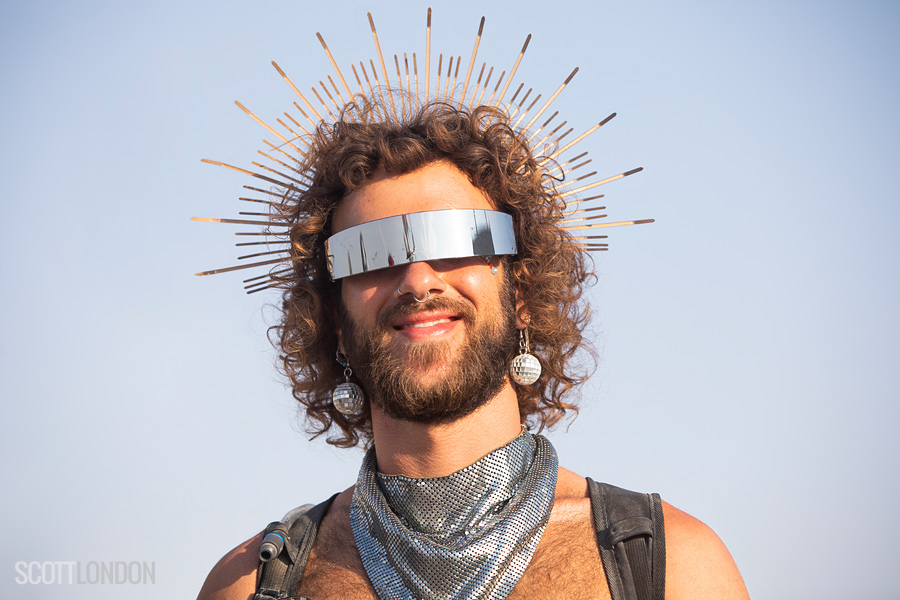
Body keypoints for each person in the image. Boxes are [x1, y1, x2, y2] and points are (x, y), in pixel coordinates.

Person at [194, 11, 750, 600]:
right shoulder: (254, 583)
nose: (416, 278)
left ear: (524, 292)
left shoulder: (673, 568)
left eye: (460, 243)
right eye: (370, 255)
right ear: (333, 318)